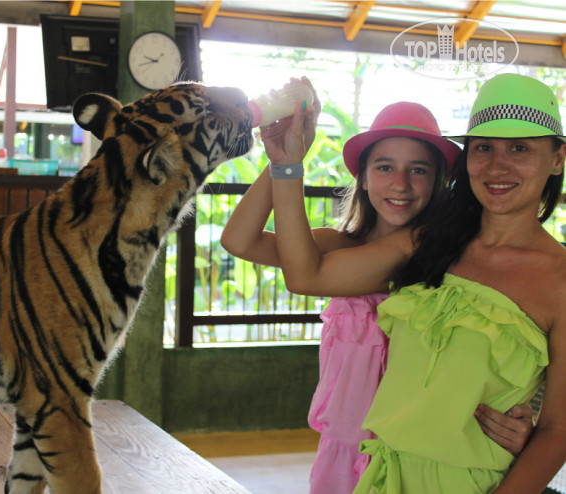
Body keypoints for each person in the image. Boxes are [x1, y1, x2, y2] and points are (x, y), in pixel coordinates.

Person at [222, 89, 535, 492]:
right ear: (364, 178)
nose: (400, 184)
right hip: (342, 448)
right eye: (385, 167)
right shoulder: (338, 246)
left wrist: (290, 168)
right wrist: (282, 160)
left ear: (439, 180)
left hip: (408, 455)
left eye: (418, 170)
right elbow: (240, 241)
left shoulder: (431, 253)